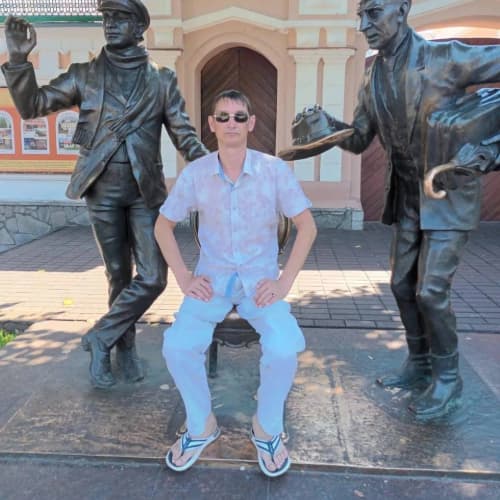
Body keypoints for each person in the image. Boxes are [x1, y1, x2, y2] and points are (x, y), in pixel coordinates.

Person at [1, 0, 208, 389]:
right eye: (107, 18)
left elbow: (185, 137)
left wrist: (220, 172)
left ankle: (100, 336)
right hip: (102, 189)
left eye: (120, 18)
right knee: (118, 275)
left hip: (145, 193)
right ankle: (122, 349)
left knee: (153, 277)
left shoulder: (161, 80)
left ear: (139, 27)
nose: (110, 24)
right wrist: (17, 60)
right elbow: (33, 106)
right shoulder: (85, 75)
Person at [329, 0, 500, 419]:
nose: (364, 24)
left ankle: (448, 378)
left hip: (448, 194)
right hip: (406, 196)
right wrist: (328, 131)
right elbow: (360, 138)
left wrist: (491, 148)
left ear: (402, 9)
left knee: (431, 291)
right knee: (402, 286)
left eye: (373, 12)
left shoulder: (447, 57)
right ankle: (419, 363)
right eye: (360, 15)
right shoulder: (372, 74)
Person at [154, 89, 317, 476]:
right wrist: (184, 277)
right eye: (223, 117)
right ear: (211, 124)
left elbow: (307, 227)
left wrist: (284, 283)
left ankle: (267, 428)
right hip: (211, 281)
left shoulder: (274, 170)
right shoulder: (196, 174)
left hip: (260, 283)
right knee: (177, 346)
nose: (231, 123)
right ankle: (201, 425)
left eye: (239, 116)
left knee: (283, 349)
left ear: (251, 123)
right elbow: (162, 226)